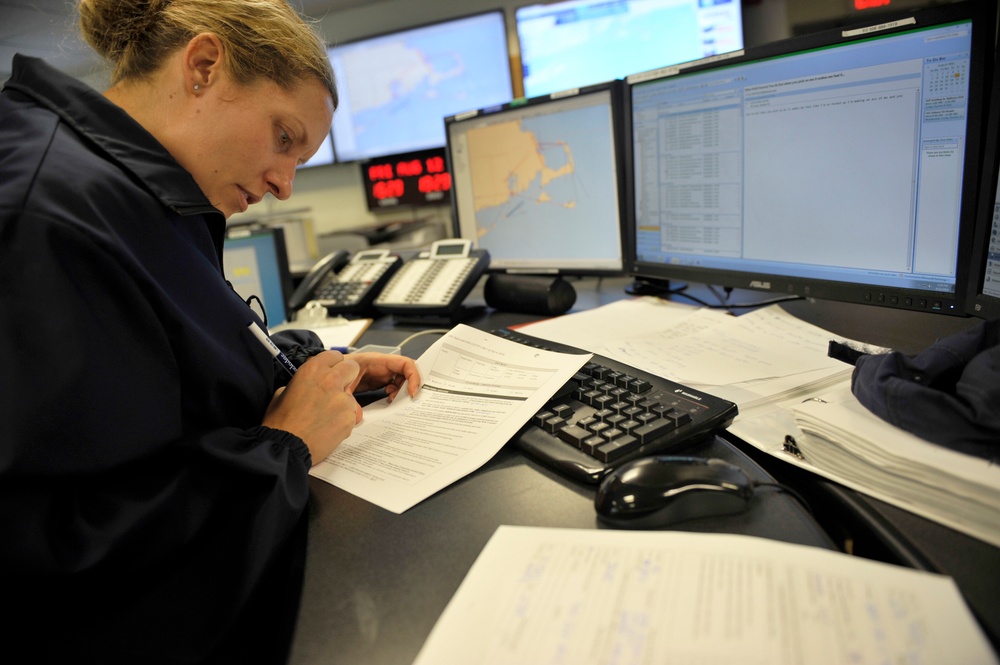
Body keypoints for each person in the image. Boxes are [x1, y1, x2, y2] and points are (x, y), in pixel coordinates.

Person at [0, 1, 420, 662]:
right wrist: (281, 446)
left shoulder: (137, 193)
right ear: (202, 67)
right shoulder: (43, 216)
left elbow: (169, 368)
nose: (284, 183)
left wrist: (311, 367)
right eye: (285, 137)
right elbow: (48, 550)